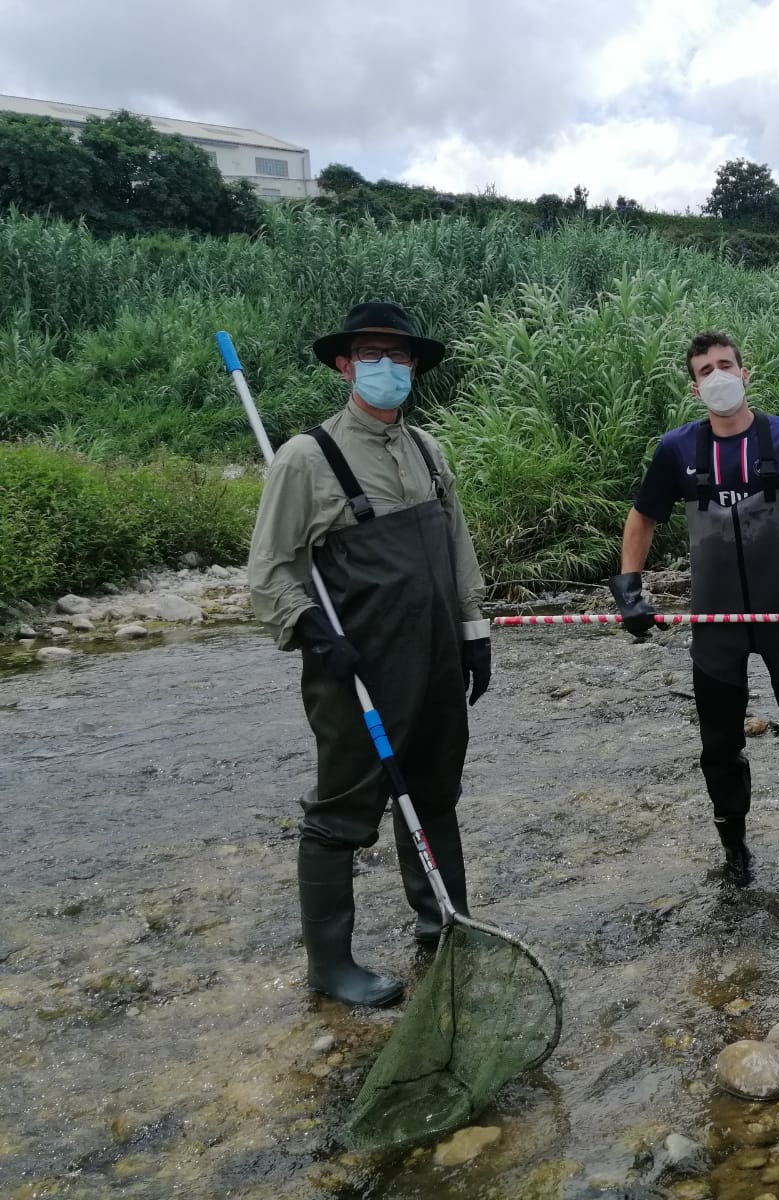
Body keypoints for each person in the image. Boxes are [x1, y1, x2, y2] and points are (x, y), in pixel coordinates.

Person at [248, 301, 491, 1006]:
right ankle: (331, 966)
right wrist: (312, 631)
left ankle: (443, 920)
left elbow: (457, 548)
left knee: (435, 793)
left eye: (401, 355)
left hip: (437, 653)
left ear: (415, 366)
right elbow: (269, 570)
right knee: (342, 811)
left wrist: (473, 635)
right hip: (353, 665)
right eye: (373, 355)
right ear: (344, 364)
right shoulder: (305, 458)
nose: (388, 368)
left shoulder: (428, 451)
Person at [610, 330, 779, 888]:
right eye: (705, 371)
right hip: (716, 628)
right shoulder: (676, 449)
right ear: (694, 386)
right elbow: (642, 517)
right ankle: (736, 859)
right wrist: (629, 586)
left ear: (745, 373)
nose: (718, 377)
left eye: (725, 365)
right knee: (719, 750)